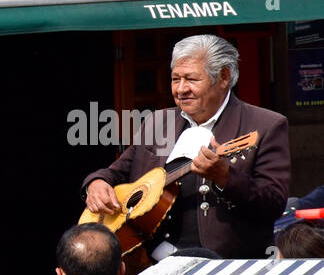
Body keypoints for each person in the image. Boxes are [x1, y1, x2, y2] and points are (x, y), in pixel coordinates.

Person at [82, 33, 290, 261]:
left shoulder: (265, 125)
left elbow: (273, 204)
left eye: (191, 79)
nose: (181, 89)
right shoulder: (158, 121)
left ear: (223, 77)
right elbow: (118, 171)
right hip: (148, 263)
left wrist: (226, 178)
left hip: (225, 268)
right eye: (175, 79)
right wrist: (97, 182)